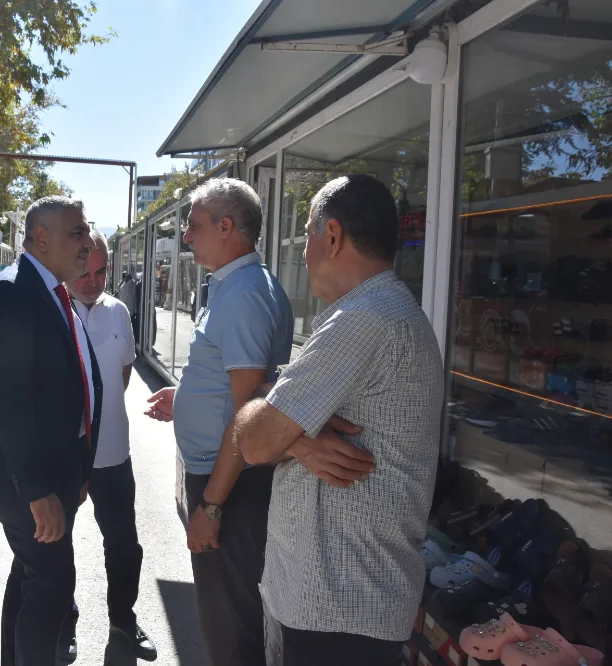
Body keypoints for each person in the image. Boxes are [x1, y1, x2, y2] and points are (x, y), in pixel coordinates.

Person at [231, 174, 444, 666]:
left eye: (306, 236)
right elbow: (270, 419)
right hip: (345, 605)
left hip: (336, 610)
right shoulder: (385, 311)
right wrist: (299, 441)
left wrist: (282, 434)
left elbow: (256, 439)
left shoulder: (363, 319)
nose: (304, 255)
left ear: (332, 236)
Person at [144, 178, 293, 666]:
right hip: (226, 477)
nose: (187, 236)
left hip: (228, 485)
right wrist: (186, 396)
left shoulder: (244, 294)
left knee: (230, 626)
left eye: (195, 226)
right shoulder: (240, 284)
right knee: (230, 617)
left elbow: (247, 408)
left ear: (226, 227)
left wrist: (210, 506)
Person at [0, 196, 104, 666]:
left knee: (31, 578)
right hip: (25, 482)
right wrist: (38, 492)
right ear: (40, 238)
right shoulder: (11, 293)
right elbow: (11, 405)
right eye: (77, 233)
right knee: (52, 585)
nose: (87, 244)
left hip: (52, 472)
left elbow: (71, 388)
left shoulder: (48, 291)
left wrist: (79, 467)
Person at [61, 230, 157, 662]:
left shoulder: (119, 312)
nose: (92, 280)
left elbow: (122, 375)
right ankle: (63, 623)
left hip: (113, 454)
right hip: (64, 456)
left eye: (101, 271)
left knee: (123, 544)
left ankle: (123, 619)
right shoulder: (51, 311)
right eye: (83, 270)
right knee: (55, 546)